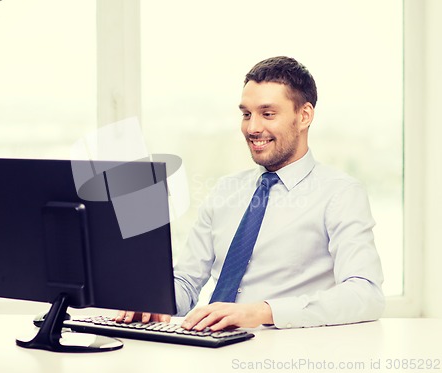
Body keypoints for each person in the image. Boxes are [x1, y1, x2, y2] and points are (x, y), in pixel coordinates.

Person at [117, 56, 385, 331]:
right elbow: (187, 280)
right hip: (209, 348)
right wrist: (155, 301)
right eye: (246, 114)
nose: (252, 128)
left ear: (304, 116)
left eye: (267, 114)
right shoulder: (226, 190)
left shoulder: (340, 193)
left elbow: (365, 294)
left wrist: (263, 312)